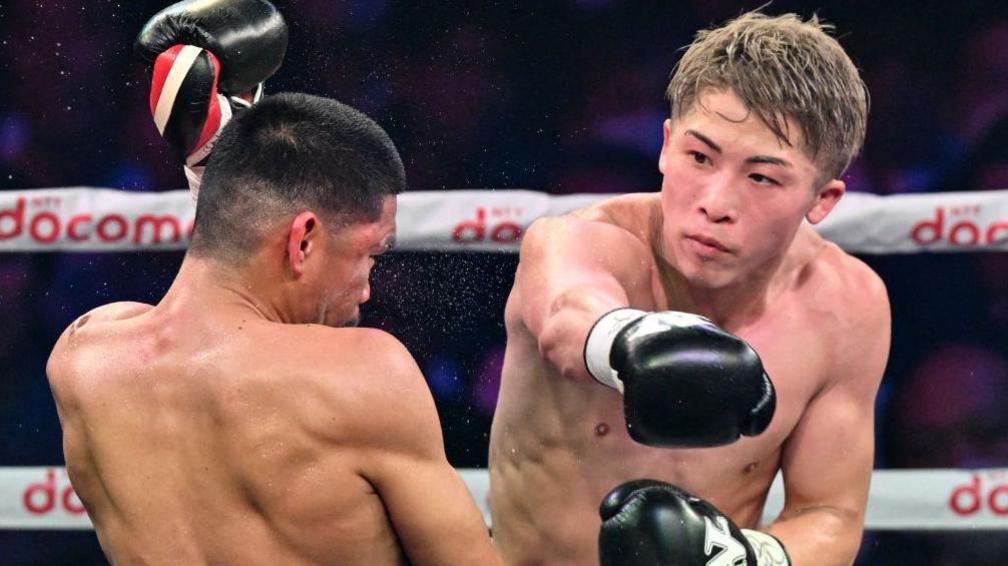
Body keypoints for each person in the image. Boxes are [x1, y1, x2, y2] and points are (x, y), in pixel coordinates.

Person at [488, 11, 890, 566]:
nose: (715, 204)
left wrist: (741, 559)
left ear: (822, 199)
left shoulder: (846, 306)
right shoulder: (579, 241)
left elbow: (828, 516)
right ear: (666, 144)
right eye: (699, 158)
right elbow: (568, 318)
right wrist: (635, 342)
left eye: (761, 177)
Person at [46, 93, 499, 565]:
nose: (366, 289)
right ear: (303, 239)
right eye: (371, 254)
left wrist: (220, 163)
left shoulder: (84, 358)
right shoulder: (364, 372)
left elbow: (225, 249)